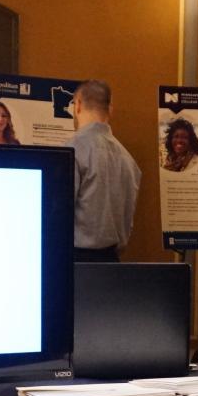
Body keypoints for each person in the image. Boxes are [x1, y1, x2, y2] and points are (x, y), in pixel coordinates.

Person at [68, 79, 140, 262]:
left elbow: (60, 214)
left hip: (75, 261)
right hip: (112, 261)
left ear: (77, 106)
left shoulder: (72, 151)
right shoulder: (128, 159)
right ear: (110, 110)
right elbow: (127, 222)